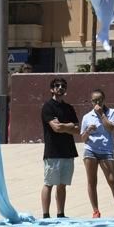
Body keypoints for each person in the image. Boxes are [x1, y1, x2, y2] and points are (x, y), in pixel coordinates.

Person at [79, 88, 114, 218]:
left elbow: (110, 127)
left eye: (99, 100)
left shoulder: (111, 112)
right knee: (92, 181)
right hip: (91, 150)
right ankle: (95, 210)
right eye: (94, 100)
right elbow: (83, 138)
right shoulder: (87, 117)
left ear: (104, 100)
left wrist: (102, 115)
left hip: (106, 150)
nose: (97, 103)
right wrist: (88, 131)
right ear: (91, 102)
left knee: (112, 180)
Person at [40, 77, 80, 218]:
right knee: (49, 183)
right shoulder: (48, 107)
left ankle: (60, 213)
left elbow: (77, 129)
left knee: (62, 185)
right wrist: (68, 126)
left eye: (63, 86)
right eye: (57, 86)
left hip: (68, 151)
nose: (60, 88)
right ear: (52, 89)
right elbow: (56, 128)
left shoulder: (69, 108)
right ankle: (45, 214)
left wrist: (66, 126)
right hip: (53, 152)